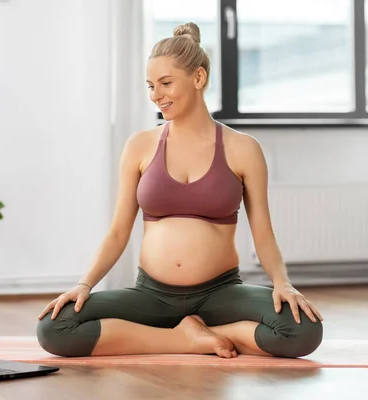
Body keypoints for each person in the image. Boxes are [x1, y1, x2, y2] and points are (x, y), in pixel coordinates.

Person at [36, 22, 323, 359]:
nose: (156, 95)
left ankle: (208, 332)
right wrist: (84, 284)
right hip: (151, 295)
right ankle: (184, 339)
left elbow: (263, 232)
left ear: (198, 78)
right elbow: (118, 231)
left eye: (166, 83)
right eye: (150, 85)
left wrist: (282, 283)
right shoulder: (140, 146)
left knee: (303, 329)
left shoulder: (242, 148)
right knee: (55, 327)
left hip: (221, 294)